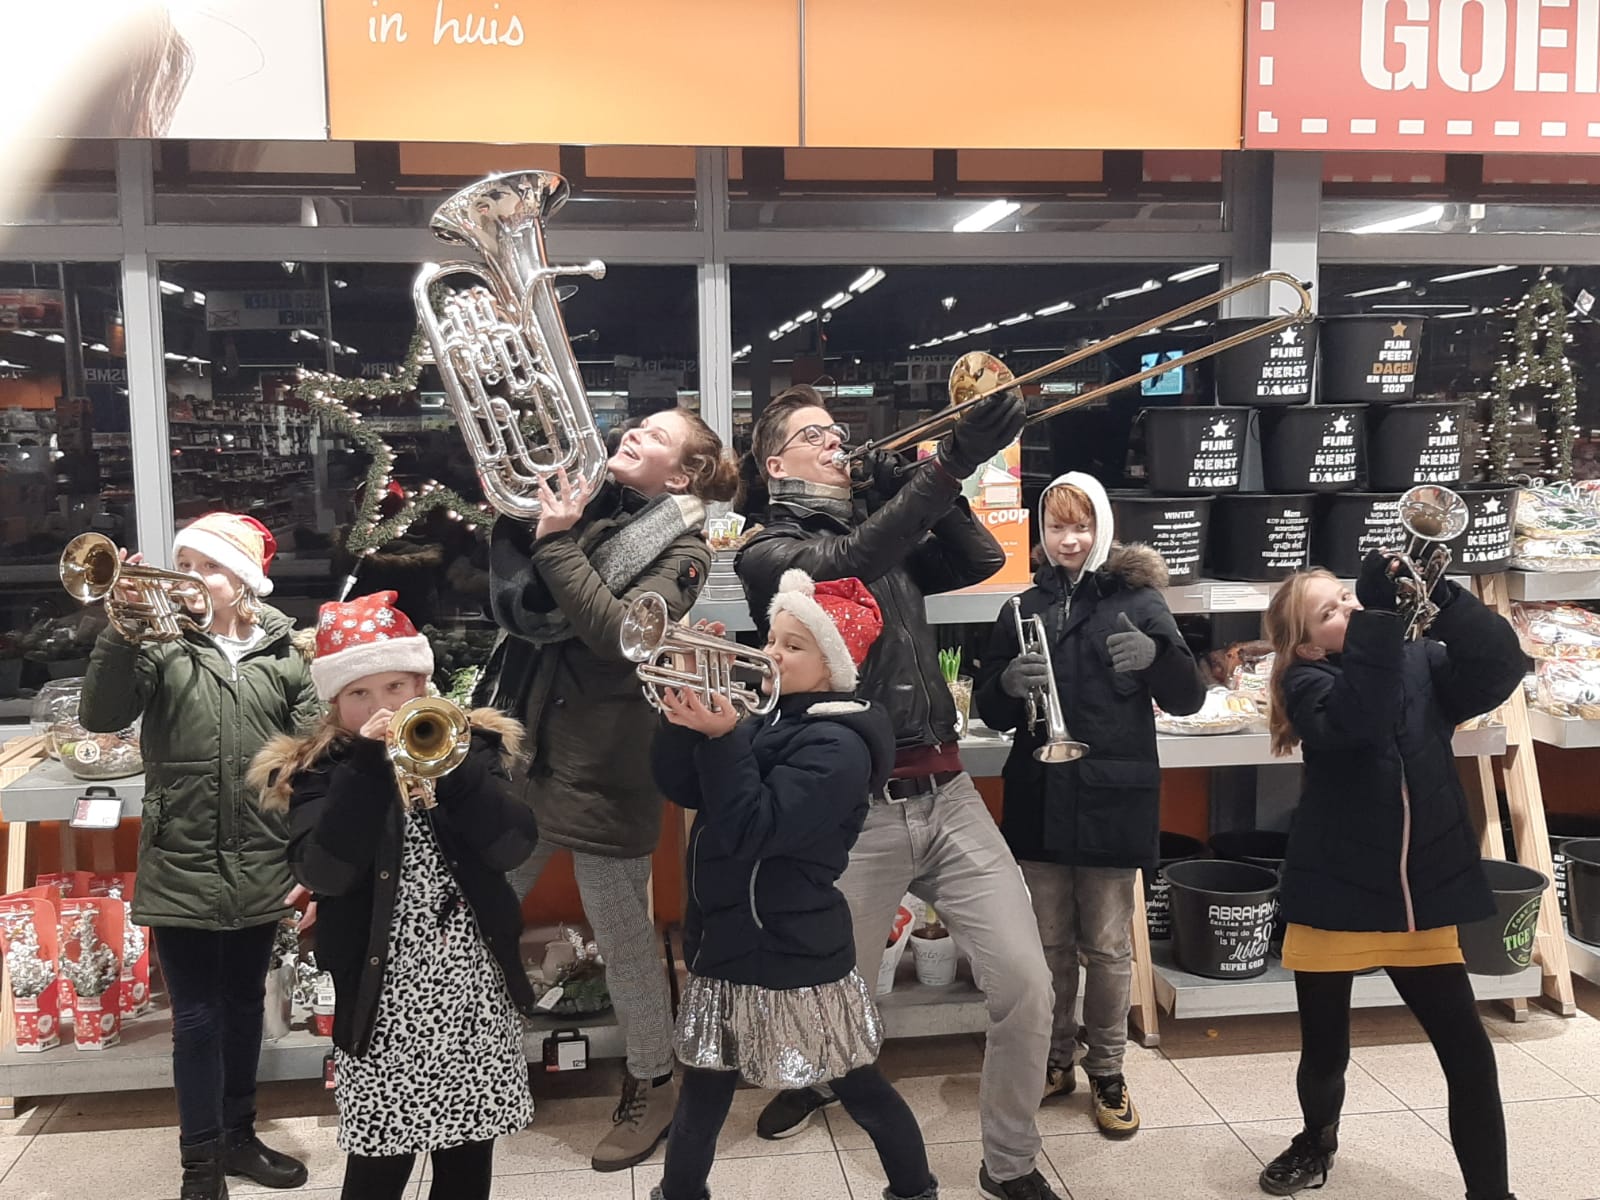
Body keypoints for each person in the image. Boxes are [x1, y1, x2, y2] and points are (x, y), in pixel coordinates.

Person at [736, 386, 1062, 1200]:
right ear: (777, 464)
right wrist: (947, 464)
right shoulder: (767, 547)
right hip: (851, 810)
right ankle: (810, 1078)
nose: (836, 443)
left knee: (1026, 981)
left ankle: (1011, 1163)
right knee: (832, 991)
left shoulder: (886, 528)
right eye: (815, 436)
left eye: (839, 432)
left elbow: (984, 561)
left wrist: (910, 477)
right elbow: (848, 565)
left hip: (946, 792)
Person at [476, 406, 740, 1171]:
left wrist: (556, 541)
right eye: (639, 426)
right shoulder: (597, 507)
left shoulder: (684, 552)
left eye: (655, 437)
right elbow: (536, 607)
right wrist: (536, 519)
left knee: (626, 947)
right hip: (531, 760)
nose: (632, 435)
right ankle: (480, 1060)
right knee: (476, 917)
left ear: (683, 475)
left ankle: (655, 1082)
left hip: (609, 775)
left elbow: (619, 630)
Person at [648, 570, 939, 1200]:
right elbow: (685, 788)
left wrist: (724, 737)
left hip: (792, 947)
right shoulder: (768, 718)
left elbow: (757, 826)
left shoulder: (840, 744)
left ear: (832, 662)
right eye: (773, 639)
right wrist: (683, 709)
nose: (772, 654)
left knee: (860, 1085)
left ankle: (915, 1189)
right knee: (703, 1086)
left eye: (793, 646)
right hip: (726, 933)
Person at [249, 591, 538, 1200]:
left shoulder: (471, 750)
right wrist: (366, 770)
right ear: (335, 704)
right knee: (379, 1165)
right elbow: (323, 872)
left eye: (396, 688)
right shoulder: (322, 772)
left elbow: (512, 846)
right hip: (382, 1000)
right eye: (360, 694)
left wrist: (453, 770)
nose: (382, 707)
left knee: (467, 1159)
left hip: (472, 992)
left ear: (423, 685)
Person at [1257, 556, 1526, 1200]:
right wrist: (1380, 622)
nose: (1348, 610)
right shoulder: (1307, 682)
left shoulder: (1419, 661)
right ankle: (1316, 1139)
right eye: (1330, 612)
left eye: (1347, 598)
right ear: (1303, 644)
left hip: (1420, 895)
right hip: (1336, 895)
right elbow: (1362, 717)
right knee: (1326, 1052)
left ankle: (1492, 1193)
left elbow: (1499, 668)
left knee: (1468, 1054)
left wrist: (1442, 596)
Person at [79, 512, 316, 1200]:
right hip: (181, 857)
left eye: (206, 565)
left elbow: (308, 757)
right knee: (196, 1017)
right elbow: (101, 715)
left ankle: (240, 1135)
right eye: (181, 562)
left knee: (244, 1004)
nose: (187, 577)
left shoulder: (284, 655)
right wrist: (120, 630)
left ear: (242, 580)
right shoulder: (159, 644)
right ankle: (200, 1164)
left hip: (264, 858)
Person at [974, 473, 1205, 1138]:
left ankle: (1108, 1070)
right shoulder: (1020, 609)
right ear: (1041, 535)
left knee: (1106, 948)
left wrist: (1156, 655)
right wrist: (1006, 684)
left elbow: (1188, 696)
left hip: (1112, 797)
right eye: (1056, 527)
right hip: (1041, 795)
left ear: (1101, 525)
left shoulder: (1139, 600)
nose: (1068, 539)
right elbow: (990, 709)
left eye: (1080, 525)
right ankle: (1054, 1060)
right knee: (1047, 945)